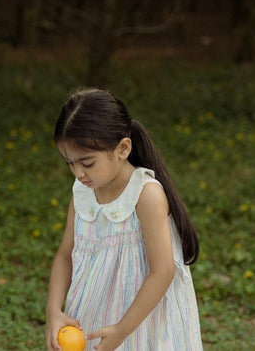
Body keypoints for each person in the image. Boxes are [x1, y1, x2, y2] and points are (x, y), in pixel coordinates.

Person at [45, 88, 203, 351]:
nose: (78, 172)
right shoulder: (83, 192)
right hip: (93, 313)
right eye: (69, 163)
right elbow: (65, 254)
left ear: (123, 149)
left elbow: (162, 271)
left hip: (141, 320)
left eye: (87, 162)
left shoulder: (145, 195)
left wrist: (122, 330)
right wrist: (53, 310)